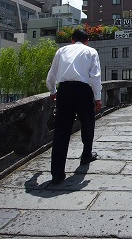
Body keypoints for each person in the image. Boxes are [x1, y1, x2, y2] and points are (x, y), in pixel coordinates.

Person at [46, 29, 102, 184]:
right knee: (88, 123)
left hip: (64, 90)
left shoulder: (61, 51)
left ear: (72, 40)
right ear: (87, 40)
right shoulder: (91, 52)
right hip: (83, 91)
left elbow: (51, 74)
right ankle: (86, 155)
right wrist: (98, 98)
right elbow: (95, 77)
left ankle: (57, 173)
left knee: (61, 132)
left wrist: (52, 90)